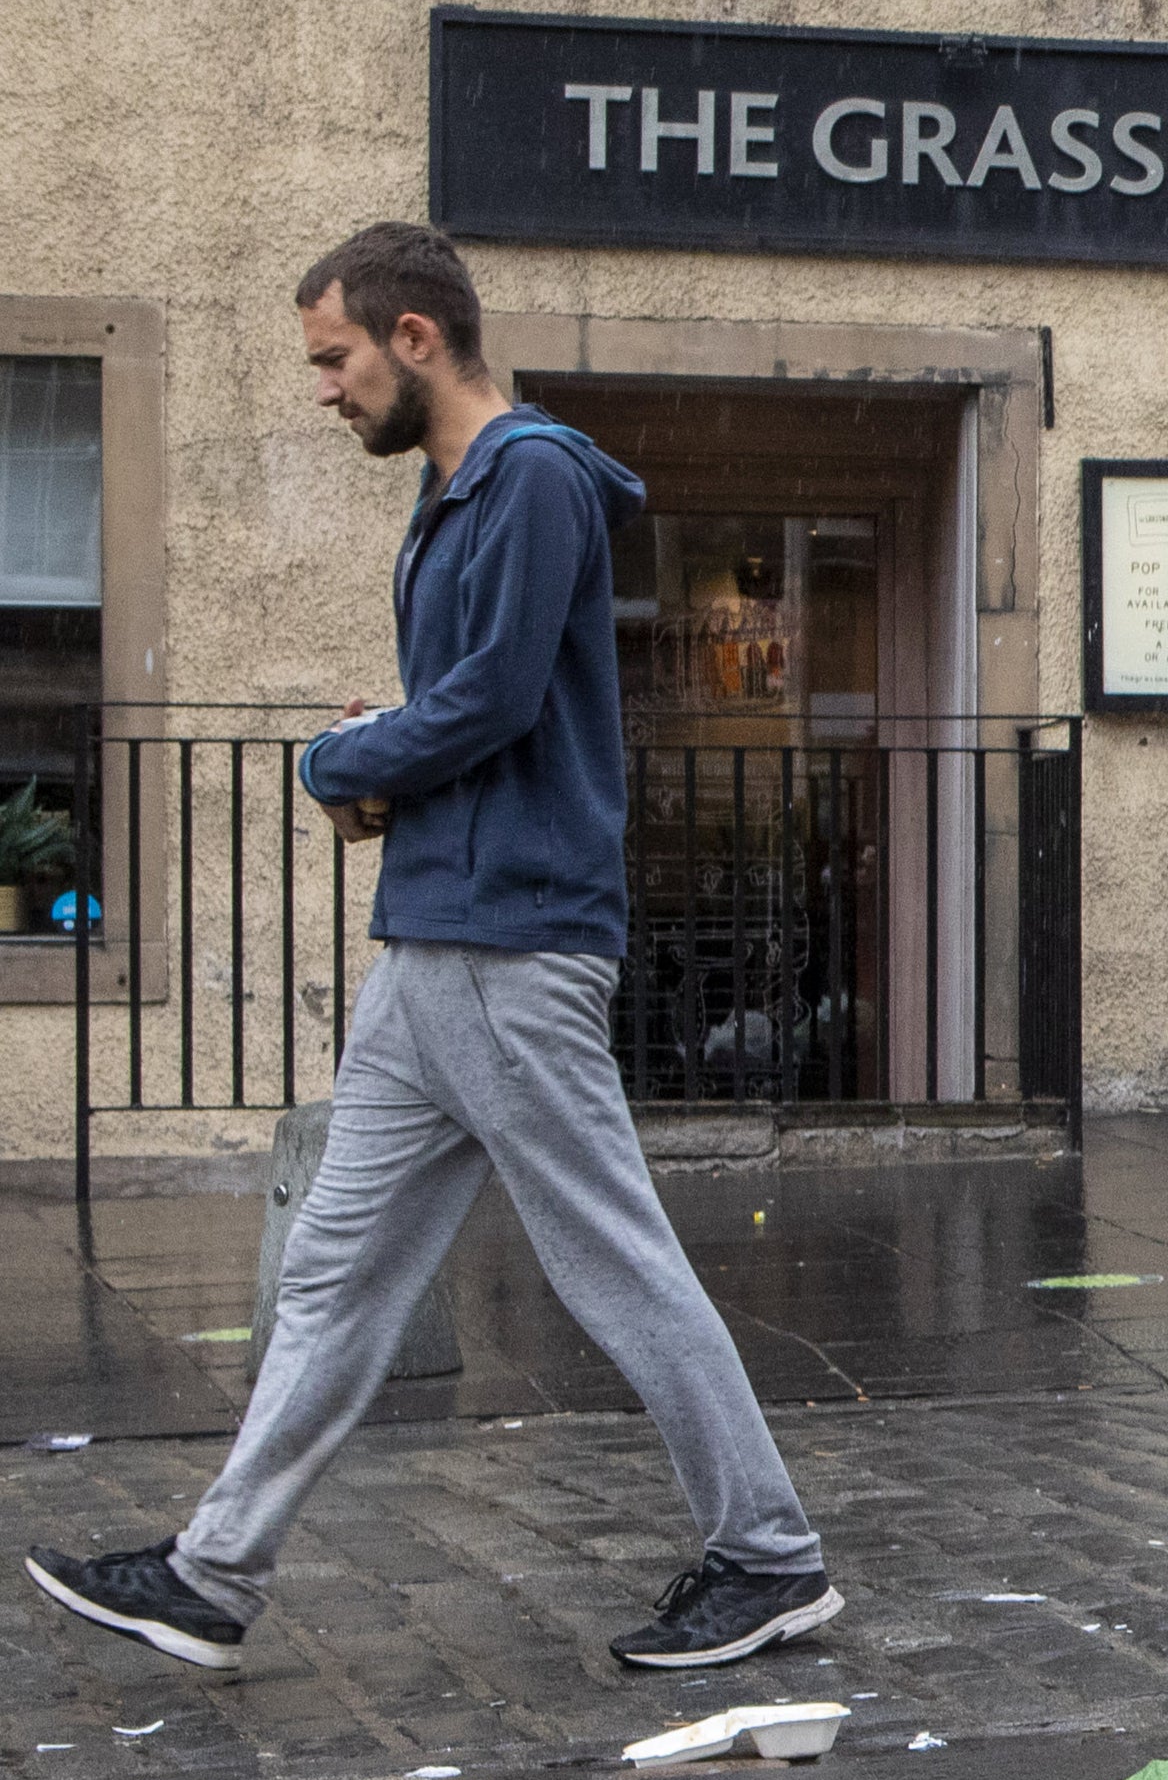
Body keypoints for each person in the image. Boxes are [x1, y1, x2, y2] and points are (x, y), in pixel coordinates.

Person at [27, 226, 837, 1679]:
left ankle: (769, 1554)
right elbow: (466, 706)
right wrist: (391, 758)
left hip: (508, 946)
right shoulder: (456, 493)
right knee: (335, 1268)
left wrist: (349, 758)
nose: (323, 389)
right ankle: (212, 1573)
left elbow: (497, 701)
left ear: (415, 336)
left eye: (333, 357)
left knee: (613, 1260)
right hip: (437, 941)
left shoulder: (529, 478)